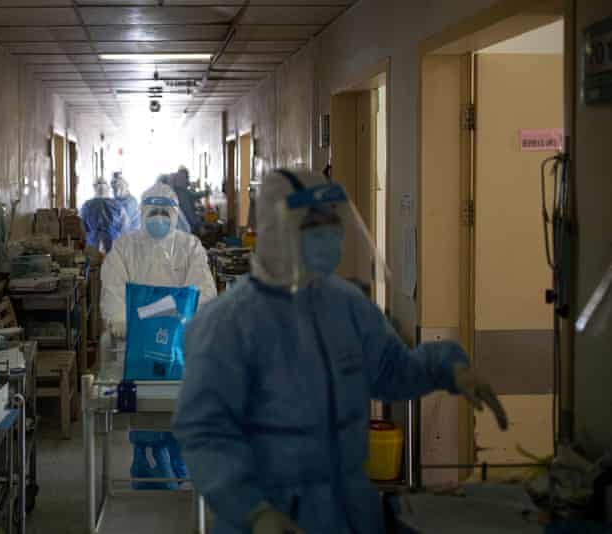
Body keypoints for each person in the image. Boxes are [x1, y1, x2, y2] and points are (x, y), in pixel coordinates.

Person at [172, 168, 508, 534]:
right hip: (271, 516)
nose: (329, 233)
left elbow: (391, 370)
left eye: (333, 221)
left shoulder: (346, 305)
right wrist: (253, 511)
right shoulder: (228, 324)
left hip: (350, 512)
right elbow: (205, 431)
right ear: (277, 229)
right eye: (314, 224)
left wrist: (448, 369)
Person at [101, 182, 218, 485]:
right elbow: (113, 296)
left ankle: (180, 459)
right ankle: (150, 458)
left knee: (182, 412)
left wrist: (149, 318)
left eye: (165, 211)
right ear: (141, 212)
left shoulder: (189, 246)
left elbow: (203, 294)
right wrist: (126, 322)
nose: (159, 217)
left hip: (180, 349)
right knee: (146, 414)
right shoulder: (125, 248)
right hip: (138, 350)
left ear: (176, 214)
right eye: (153, 211)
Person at [80, 179, 126, 253]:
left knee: (94, 262)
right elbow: (124, 226)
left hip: (93, 241)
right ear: (108, 189)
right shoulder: (117, 205)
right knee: (113, 262)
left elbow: (83, 228)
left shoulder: (87, 205)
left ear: (94, 188)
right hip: (113, 240)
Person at [171, 166, 204, 233]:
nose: (185, 180)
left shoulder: (179, 190)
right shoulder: (181, 192)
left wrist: (205, 192)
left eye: (186, 178)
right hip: (185, 229)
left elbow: (193, 195)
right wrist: (200, 226)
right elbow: (189, 213)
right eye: (182, 178)